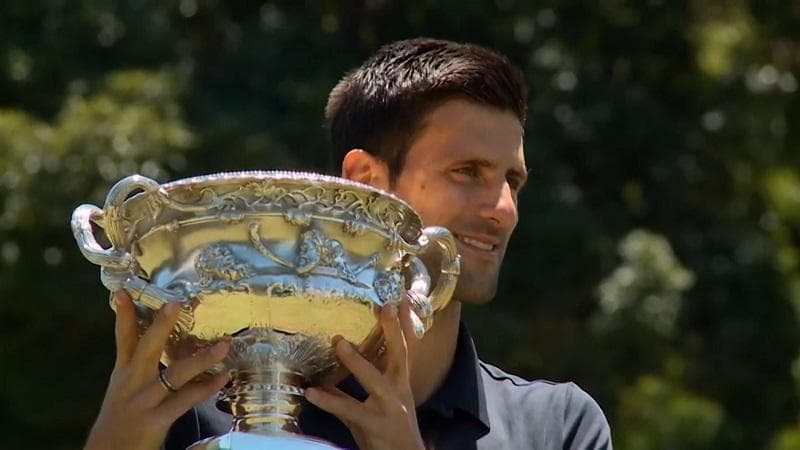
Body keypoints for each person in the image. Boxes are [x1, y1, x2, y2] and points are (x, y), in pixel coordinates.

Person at [83, 38, 612, 450]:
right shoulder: (195, 413)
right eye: (467, 171)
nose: (502, 208)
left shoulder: (556, 425)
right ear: (367, 180)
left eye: (512, 181)